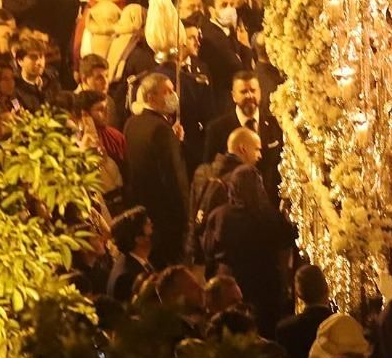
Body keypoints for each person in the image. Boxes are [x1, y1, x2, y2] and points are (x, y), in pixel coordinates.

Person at [205, 154, 297, 334]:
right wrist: (285, 283)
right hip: (265, 285)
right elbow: (285, 250)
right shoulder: (271, 218)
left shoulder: (220, 216)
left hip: (230, 284)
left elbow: (209, 250)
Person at [123, 72, 190, 266]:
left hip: (143, 209)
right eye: (167, 92)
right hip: (166, 216)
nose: (173, 96)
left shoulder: (131, 123)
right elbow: (174, 176)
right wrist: (185, 215)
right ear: (151, 97)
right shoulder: (161, 129)